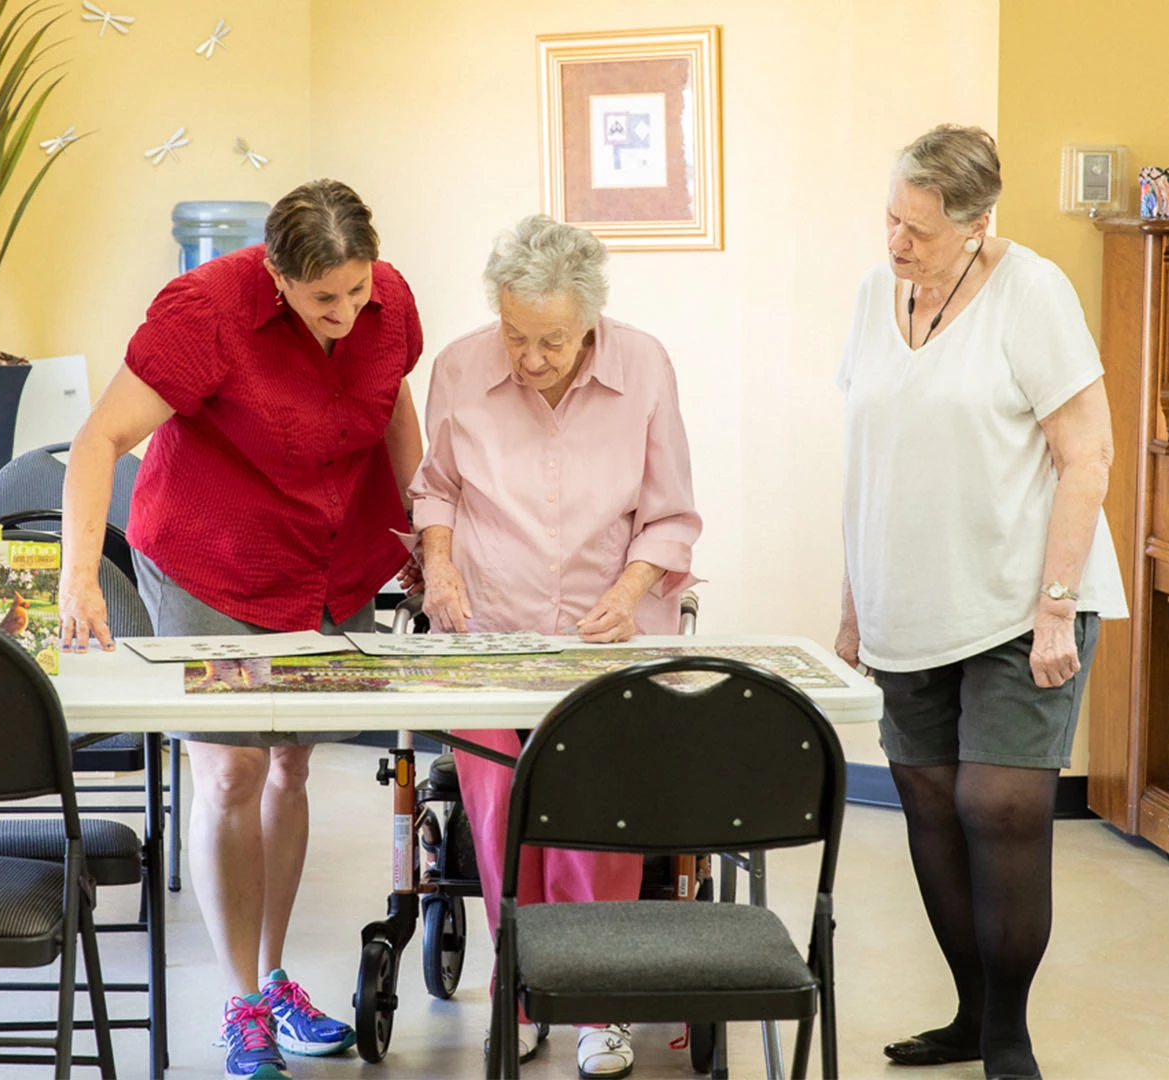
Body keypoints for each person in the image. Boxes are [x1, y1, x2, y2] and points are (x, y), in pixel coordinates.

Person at [58, 179, 423, 1080]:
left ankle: (272, 973)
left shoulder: (389, 300)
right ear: (277, 274)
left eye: (357, 291)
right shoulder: (207, 310)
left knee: (293, 761)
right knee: (231, 767)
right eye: (322, 298)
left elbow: (393, 411)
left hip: (327, 559)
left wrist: (425, 531)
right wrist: (77, 578)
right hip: (212, 560)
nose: (346, 313)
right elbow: (99, 440)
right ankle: (239, 1003)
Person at [836, 125, 1127, 1080]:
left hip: (1019, 600)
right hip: (908, 599)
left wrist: (1055, 606)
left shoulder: (1031, 291)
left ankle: (1008, 1034)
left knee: (998, 806)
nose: (896, 243)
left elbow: (1088, 454)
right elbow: (867, 462)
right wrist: (854, 601)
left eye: (918, 229)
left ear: (977, 224)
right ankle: (968, 1014)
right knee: (928, 805)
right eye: (890, 217)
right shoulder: (875, 297)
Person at [410, 214, 700, 1078]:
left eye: (551, 341)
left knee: (590, 806)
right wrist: (439, 567)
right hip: (486, 632)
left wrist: (626, 594)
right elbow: (437, 491)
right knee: (499, 805)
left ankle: (598, 1003)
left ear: (590, 324)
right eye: (514, 334)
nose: (529, 357)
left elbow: (672, 512)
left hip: (599, 636)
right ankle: (525, 986)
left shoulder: (642, 365)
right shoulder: (460, 366)